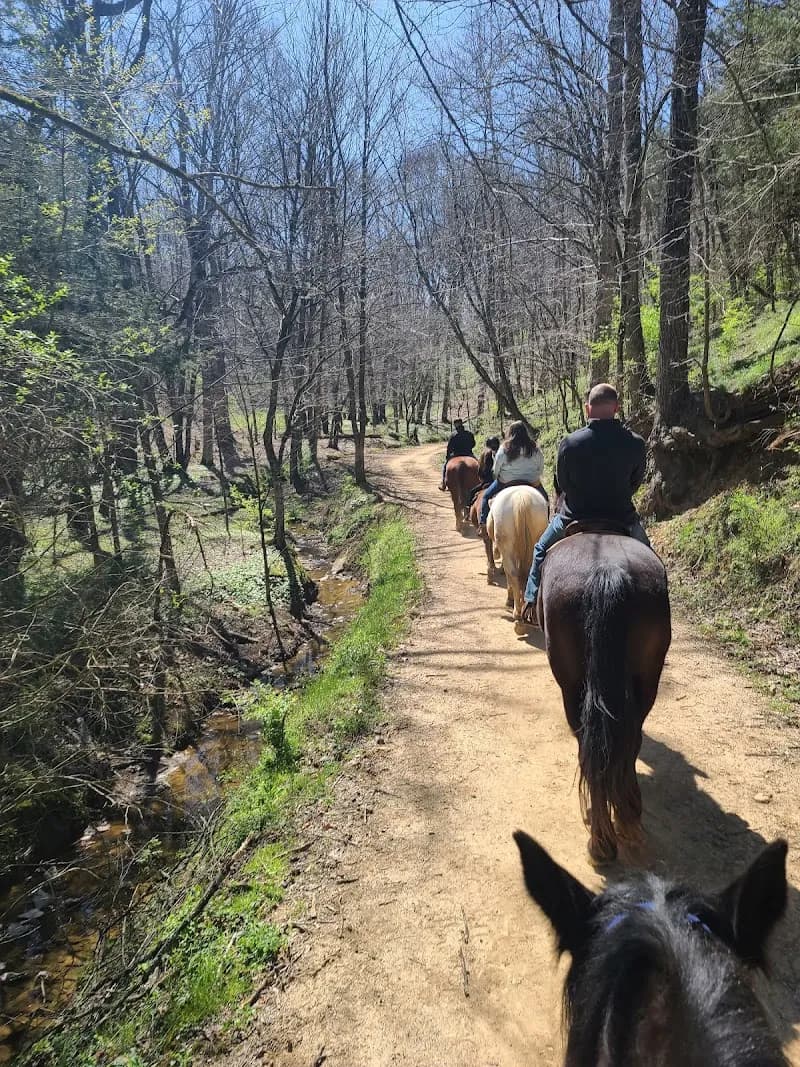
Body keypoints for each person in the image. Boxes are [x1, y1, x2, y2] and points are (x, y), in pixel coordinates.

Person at [522, 382, 651, 623]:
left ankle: (530, 600)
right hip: (622, 517)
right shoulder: (635, 442)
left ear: (587, 409)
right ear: (616, 408)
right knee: (652, 563)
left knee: (540, 549)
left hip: (574, 517)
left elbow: (563, 482)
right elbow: (636, 482)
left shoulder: (570, 443)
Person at [477, 421, 546, 529]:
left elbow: (496, 469)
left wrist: (497, 477)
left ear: (511, 433)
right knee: (545, 499)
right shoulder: (534, 447)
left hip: (506, 481)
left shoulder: (505, 448)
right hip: (531, 481)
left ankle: (483, 524)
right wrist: (534, 475)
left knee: (486, 497)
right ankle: (547, 524)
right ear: (525, 432)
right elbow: (541, 467)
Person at [439, 418, 476, 490]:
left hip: (456, 454)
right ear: (461, 424)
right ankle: (480, 481)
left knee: (445, 467)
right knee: (478, 465)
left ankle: (443, 483)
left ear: (456, 425)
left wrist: (448, 456)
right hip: (468, 454)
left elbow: (449, 447)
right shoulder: (469, 433)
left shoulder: (453, 435)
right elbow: (473, 444)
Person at [468, 436, 501, 506]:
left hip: (489, 481)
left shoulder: (486, 453)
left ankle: (468, 510)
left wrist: (484, 480)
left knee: (472, 493)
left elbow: (484, 470)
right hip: (504, 479)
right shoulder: (502, 452)